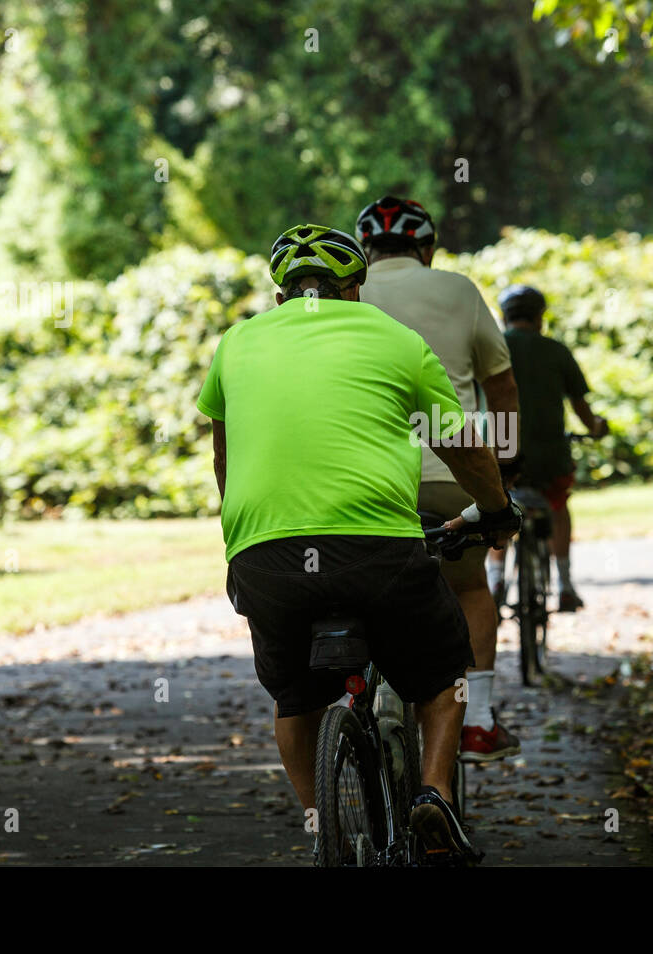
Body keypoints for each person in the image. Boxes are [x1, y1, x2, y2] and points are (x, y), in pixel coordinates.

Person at [196, 223, 521, 862]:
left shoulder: (236, 344)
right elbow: (457, 441)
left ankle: (325, 829)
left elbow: (225, 455)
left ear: (284, 292)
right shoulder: (395, 338)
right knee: (441, 674)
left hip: (266, 555)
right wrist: (495, 510)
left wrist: (246, 540)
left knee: (295, 697)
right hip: (377, 546)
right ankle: (434, 795)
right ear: (354, 287)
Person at [355, 195, 523, 762]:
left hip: (370, 477)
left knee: (363, 582)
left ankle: (368, 700)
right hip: (452, 469)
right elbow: (500, 384)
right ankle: (477, 721)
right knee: (470, 587)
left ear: (364, 249)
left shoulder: (344, 296)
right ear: (425, 246)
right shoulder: (458, 289)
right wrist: (503, 460)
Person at [487, 284, 608, 612]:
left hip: (500, 454)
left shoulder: (492, 347)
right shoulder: (556, 350)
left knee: (493, 505)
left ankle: (494, 578)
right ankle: (565, 584)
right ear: (540, 317)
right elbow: (581, 407)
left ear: (503, 316)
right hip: (550, 458)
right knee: (558, 505)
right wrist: (597, 428)